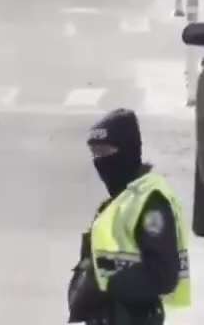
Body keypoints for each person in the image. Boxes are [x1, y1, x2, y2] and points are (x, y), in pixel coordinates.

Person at [67, 109, 190, 324]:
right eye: (96, 154)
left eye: (106, 152)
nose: (100, 162)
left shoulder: (151, 202)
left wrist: (105, 283)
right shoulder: (117, 203)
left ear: (127, 151)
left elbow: (163, 275)